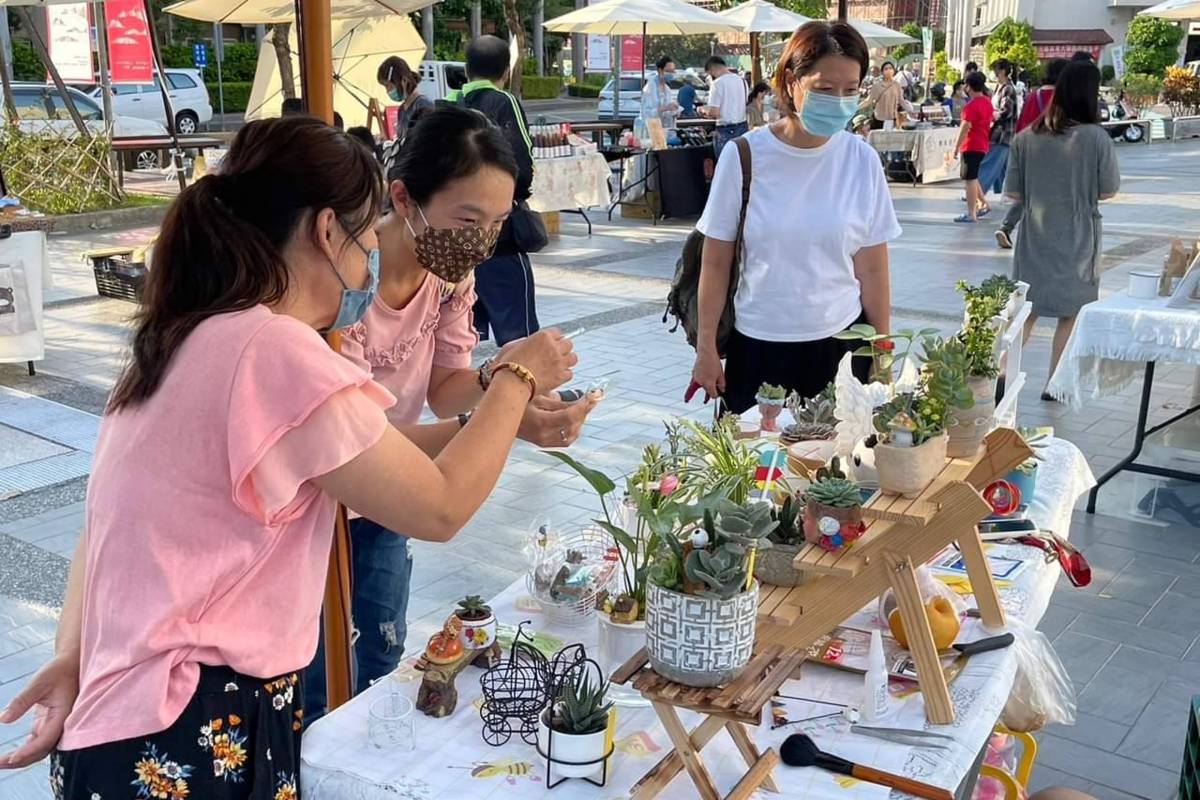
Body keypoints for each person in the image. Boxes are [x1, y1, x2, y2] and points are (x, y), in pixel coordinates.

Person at [0, 116, 576, 792]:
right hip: (194, 726)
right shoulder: (275, 350)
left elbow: (104, 529)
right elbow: (440, 505)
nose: (367, 272)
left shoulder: (184, 335)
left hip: (125, 722)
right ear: (326, 233)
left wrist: (75, 655)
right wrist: (517, 376)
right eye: (365, 248)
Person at [303, 106, 598, 723]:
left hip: (387, 499)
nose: (481, 239)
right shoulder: (348, 287)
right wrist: (506, 412)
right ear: (403, 197)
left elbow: (445, 388)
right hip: (324, 499)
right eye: (467, 218)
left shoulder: (448, 273)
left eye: (496, 222)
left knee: (381, 653)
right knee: (319, 674)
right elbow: (359, 439)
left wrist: (497, 381)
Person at [690, 21, 900, 412]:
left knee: (837, 469)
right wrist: (706, 349)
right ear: (791, 81)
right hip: (758, 347)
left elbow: (872, 269)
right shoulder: (743, 156)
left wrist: (882, 349)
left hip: (842, 345)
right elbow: (715, 262)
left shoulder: (862, 161)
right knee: (758, 468)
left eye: (851, 91)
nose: (839, 100)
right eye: (824, 89)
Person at [1005, 60, 1119, 400]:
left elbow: (1013, 193)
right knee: (1070, 315)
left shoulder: (1025, 138)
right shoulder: (1097, 138)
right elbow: (1108, 190)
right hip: (1078, 239)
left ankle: (997, 375)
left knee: (1026, 312)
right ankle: (1054, 383)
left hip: (1034, 237)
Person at [450, 35, 540, 346]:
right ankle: (520, 392)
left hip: (454, 240)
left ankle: (477, 392)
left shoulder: (450, 104)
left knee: (462, 335)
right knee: (519, 333)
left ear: (467, 68)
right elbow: (522, 167)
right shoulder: (505, 102)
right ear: (505, 71)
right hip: (498, 237)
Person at [996, 58, 1067, 249]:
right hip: (1053, 154)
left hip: (1028, 151)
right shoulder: (1062, 99)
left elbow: (1021, 126)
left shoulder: (1033, 96)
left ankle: (1007, 226)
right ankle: (1037, 233)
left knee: (1028, 193)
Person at [954, 70, 992, 223]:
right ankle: (983, 203)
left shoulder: (970, 107)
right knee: (973, 176)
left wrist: (955, 147)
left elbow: (965, 128)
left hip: (971, 145)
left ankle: (971, 213)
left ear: (969, 87)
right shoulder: (987, 102)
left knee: (969, 179)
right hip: (982, 144)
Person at [977, 58, 1017, 200]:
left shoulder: (1008, 88)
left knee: (989, 164)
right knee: (1001, 167)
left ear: (1003, 72)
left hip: (1002, 133)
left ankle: (977, 194)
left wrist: (992, 114)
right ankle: (1006, 194)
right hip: (999, 132)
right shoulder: (999, 87)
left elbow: (1007, 111)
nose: (995, 73)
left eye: (997, 70)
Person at [701, 55, 750, 158]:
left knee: (725, 167)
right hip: (743, 128)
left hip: (725, 131)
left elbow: (715, 112)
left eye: (710, 74)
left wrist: (703, 110)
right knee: (741, 165)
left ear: (712, 69)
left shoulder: (717, 84)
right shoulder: (742, 81)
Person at [377, 55, 433, 145]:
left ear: (404, 80)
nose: (387, 91)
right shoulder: (401, 110)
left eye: (389, 86)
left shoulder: (423, 104)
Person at [642, 55, 681, 133]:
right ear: (660, 70)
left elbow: (669, 112)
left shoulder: (667, 89)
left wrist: (675, 110)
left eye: (673, 71)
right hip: (651, 131)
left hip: (665, 130)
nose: (671, 74)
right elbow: (646, 113)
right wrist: (664, 108)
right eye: (668, 71)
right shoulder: (650, 87)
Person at [865, 61, 905, 130]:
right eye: (886, 69)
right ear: (882, 72)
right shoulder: (877, 85)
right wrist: (856, 108)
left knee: (890, 139)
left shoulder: (897, 85)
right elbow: (868, 100)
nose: (889, 71)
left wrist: (911, 111)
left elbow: (902, 101)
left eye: (890, 68)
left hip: (892, 118)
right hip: (879, 118)